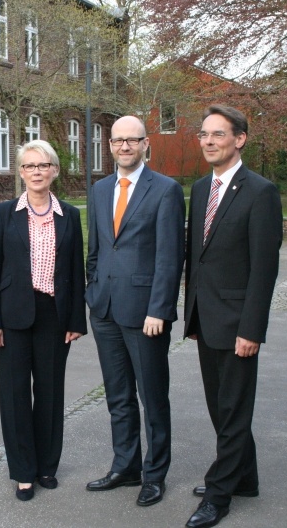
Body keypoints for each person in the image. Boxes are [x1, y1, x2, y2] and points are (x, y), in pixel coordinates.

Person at [183, 105, 283, 528]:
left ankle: (219, 494)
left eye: (217, 134)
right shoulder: (201, 189)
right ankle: (246, 478)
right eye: (204, 134)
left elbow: (264, 268)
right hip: (206, 318)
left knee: (234, 408)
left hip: (238, 322)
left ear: (239, 139)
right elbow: (198, 256)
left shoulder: (261, 192)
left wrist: (251, 329)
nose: (208, 141)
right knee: (221, 407)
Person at [85, 116, 185, 507]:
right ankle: (126, 465)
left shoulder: (165, 190)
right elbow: (97, 248)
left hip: (146, 314)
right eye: (117, 141)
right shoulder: (99, 190)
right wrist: (93, 294)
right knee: (118, 396)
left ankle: (155, 475)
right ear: (109, 145)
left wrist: (159, 308)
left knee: (152, 397)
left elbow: (169, 256)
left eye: (132, 140)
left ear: (146, 144)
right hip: (105, 310)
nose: (124, 147)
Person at [0, 140, 87, 501]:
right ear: (21, 173)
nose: (37, 172)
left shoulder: (70, 215)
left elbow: (76, 271)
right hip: (12, 316)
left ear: (55, 170)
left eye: (43, 165)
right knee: (14, 395)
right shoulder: (5, 212)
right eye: (29, 166)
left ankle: (46, 466)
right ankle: (23, 471)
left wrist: (77, 319)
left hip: (54, 316)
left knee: (50, 392)